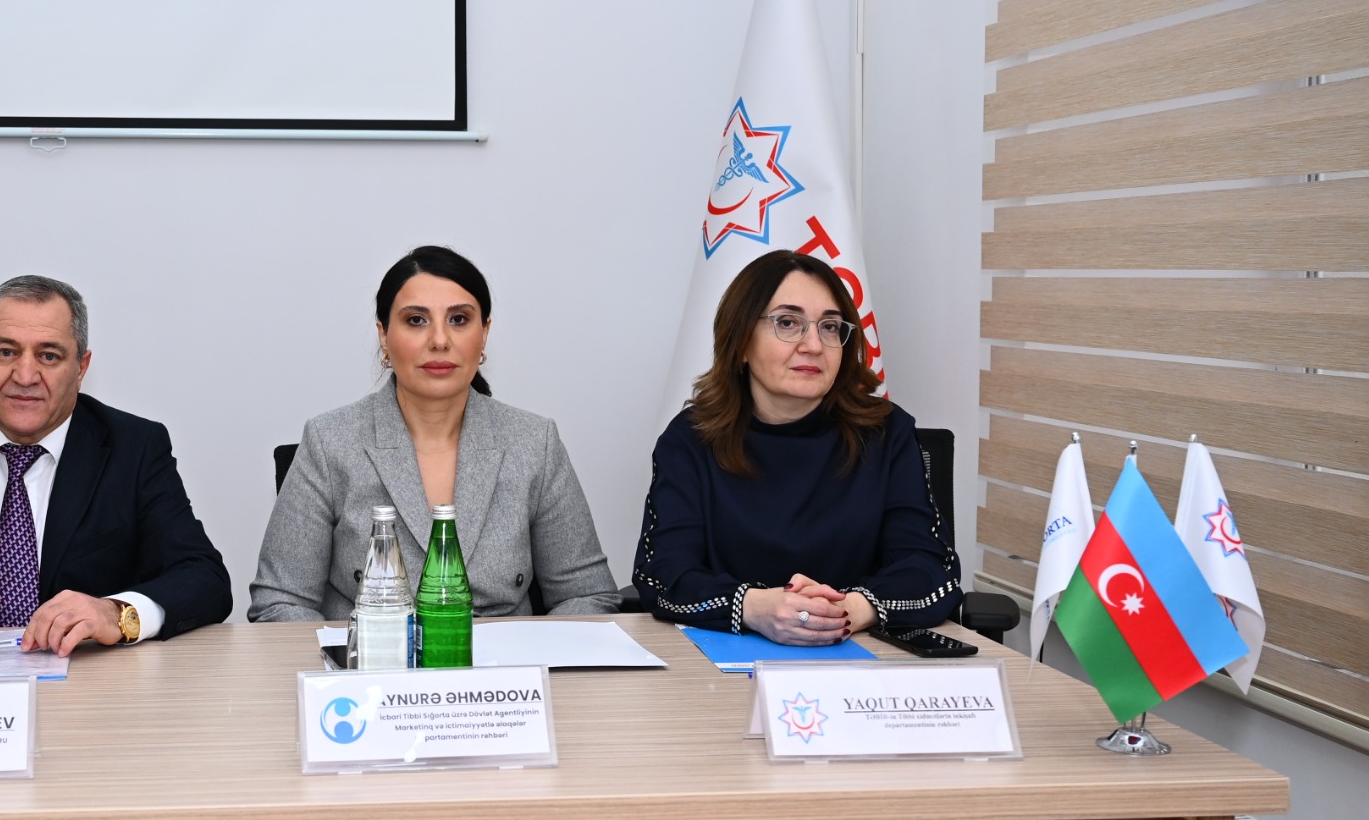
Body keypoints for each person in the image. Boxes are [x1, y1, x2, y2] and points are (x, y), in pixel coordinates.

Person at [0, 275, 230, 657]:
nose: (24, 376)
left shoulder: (134, 448)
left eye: (48, 356)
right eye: (6, 352)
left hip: (93, 679)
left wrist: (116, 613)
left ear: (81, 367)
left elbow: (204, 579)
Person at [250, 246, 619, 622]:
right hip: (374, 655)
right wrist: (352, 656)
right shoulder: (329, 443)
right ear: (384, 335)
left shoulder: (535, 443)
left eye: (459, 319)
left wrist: (533, 653)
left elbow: (586, 594)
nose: (440, 340)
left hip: (500, 660)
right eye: (416, 320)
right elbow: (280, 601)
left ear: (484, 333)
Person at [634, 249, 959, 643]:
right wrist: (756, 608)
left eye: (830, 327)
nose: (814, 345)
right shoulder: (691, 438)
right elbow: (662, 574)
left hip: (860, 653)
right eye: (788, 323)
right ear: (741, 342)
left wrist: (845, 611)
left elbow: (931, 569)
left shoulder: (886, 432)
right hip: (725, 659)